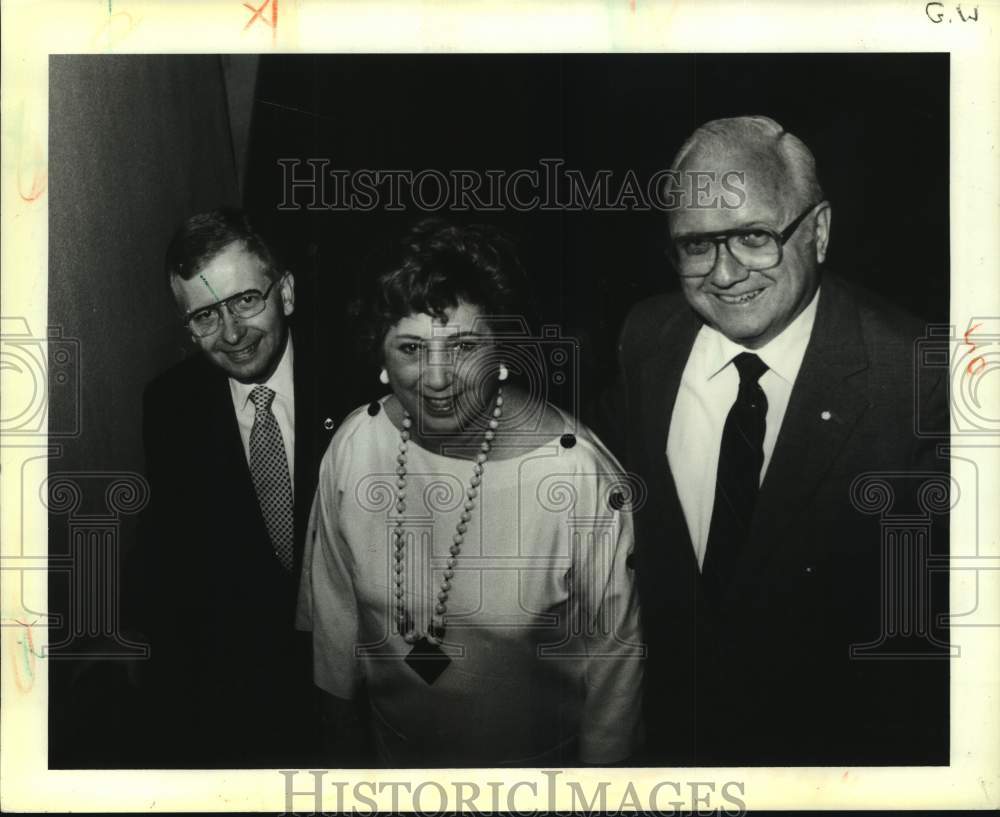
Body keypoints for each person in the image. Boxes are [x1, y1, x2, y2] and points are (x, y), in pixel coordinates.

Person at [603, 116, 949, 765]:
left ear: (817, 231)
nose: (726, 273)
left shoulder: (916, 377)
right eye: (696, 245)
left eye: (755, 237)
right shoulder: (646, 339)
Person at [297, 220, 643, 767]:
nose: (437, 379)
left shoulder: (579, 476)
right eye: (411, 347)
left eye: (462, 345)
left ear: (502, 349)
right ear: (381, 358)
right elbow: (334, 628)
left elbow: (616, 682)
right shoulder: (355, 446)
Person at [137, 208, 335, 766]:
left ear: (286, 293)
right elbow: (174, 575)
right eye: (204, 315)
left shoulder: (356, 385)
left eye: (246, 300)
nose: (231, 333)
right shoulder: (170, 407)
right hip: (245, 707)